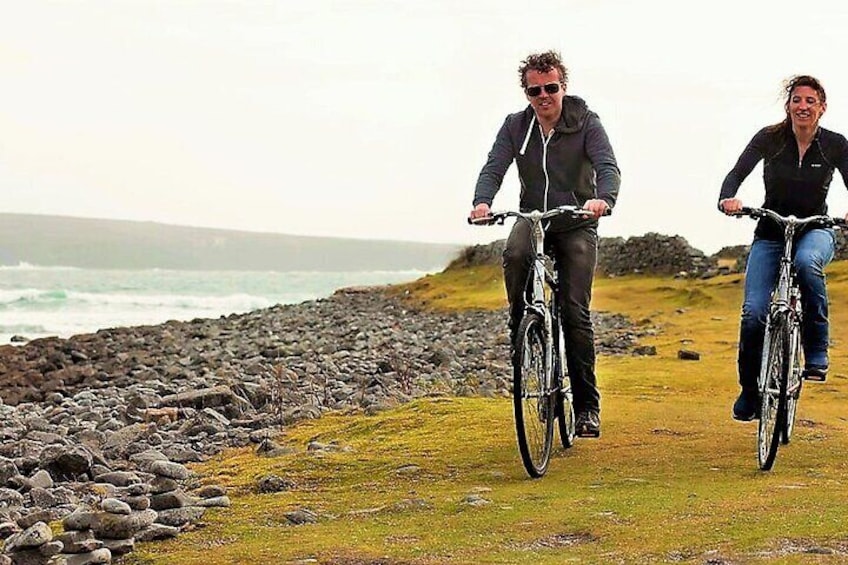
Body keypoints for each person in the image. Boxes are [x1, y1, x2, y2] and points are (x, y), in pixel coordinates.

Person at [468, 50, 621, 437]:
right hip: (533, 217)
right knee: (515, 253)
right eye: (535, 90)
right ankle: (521, 320)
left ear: (563, 87)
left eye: (551, 88)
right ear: (527, 93)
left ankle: (587, 407)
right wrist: (482, 202)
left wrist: (603, 200)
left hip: (576, 221)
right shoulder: (515, 127)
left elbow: (607, 166)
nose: (544, 96)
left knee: (574, 311)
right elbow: (494, 166)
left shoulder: (586, 121)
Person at [718, 74, 848, 421]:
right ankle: (749, 390)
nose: (802, 106)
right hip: (771, 232)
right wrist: (727, 198)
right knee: (754, 313)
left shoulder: (834, 144)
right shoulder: (769, 139)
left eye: (810, 101)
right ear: (788, 105)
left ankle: (816, 350)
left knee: (807, 264)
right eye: (797, 100)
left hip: (815, 229)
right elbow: (736, 173)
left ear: (822, 107)